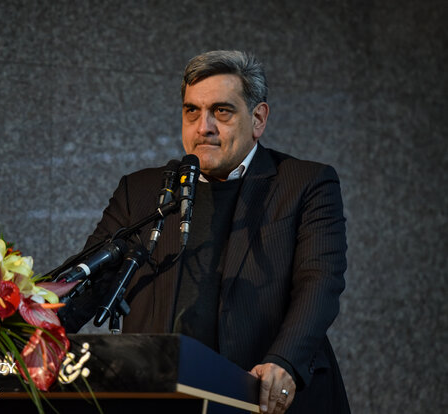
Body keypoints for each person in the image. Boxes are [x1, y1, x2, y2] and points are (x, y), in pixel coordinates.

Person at [58, 50, 349, 414]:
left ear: (258, 119)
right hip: (159, 397)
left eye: (221, 111)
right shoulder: (143, 191)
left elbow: (319, 283)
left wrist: (284, 362)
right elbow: (88, 282)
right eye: (191, 110)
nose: (203, 126)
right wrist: (17, 324)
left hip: (265, 399)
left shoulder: (304, 184)